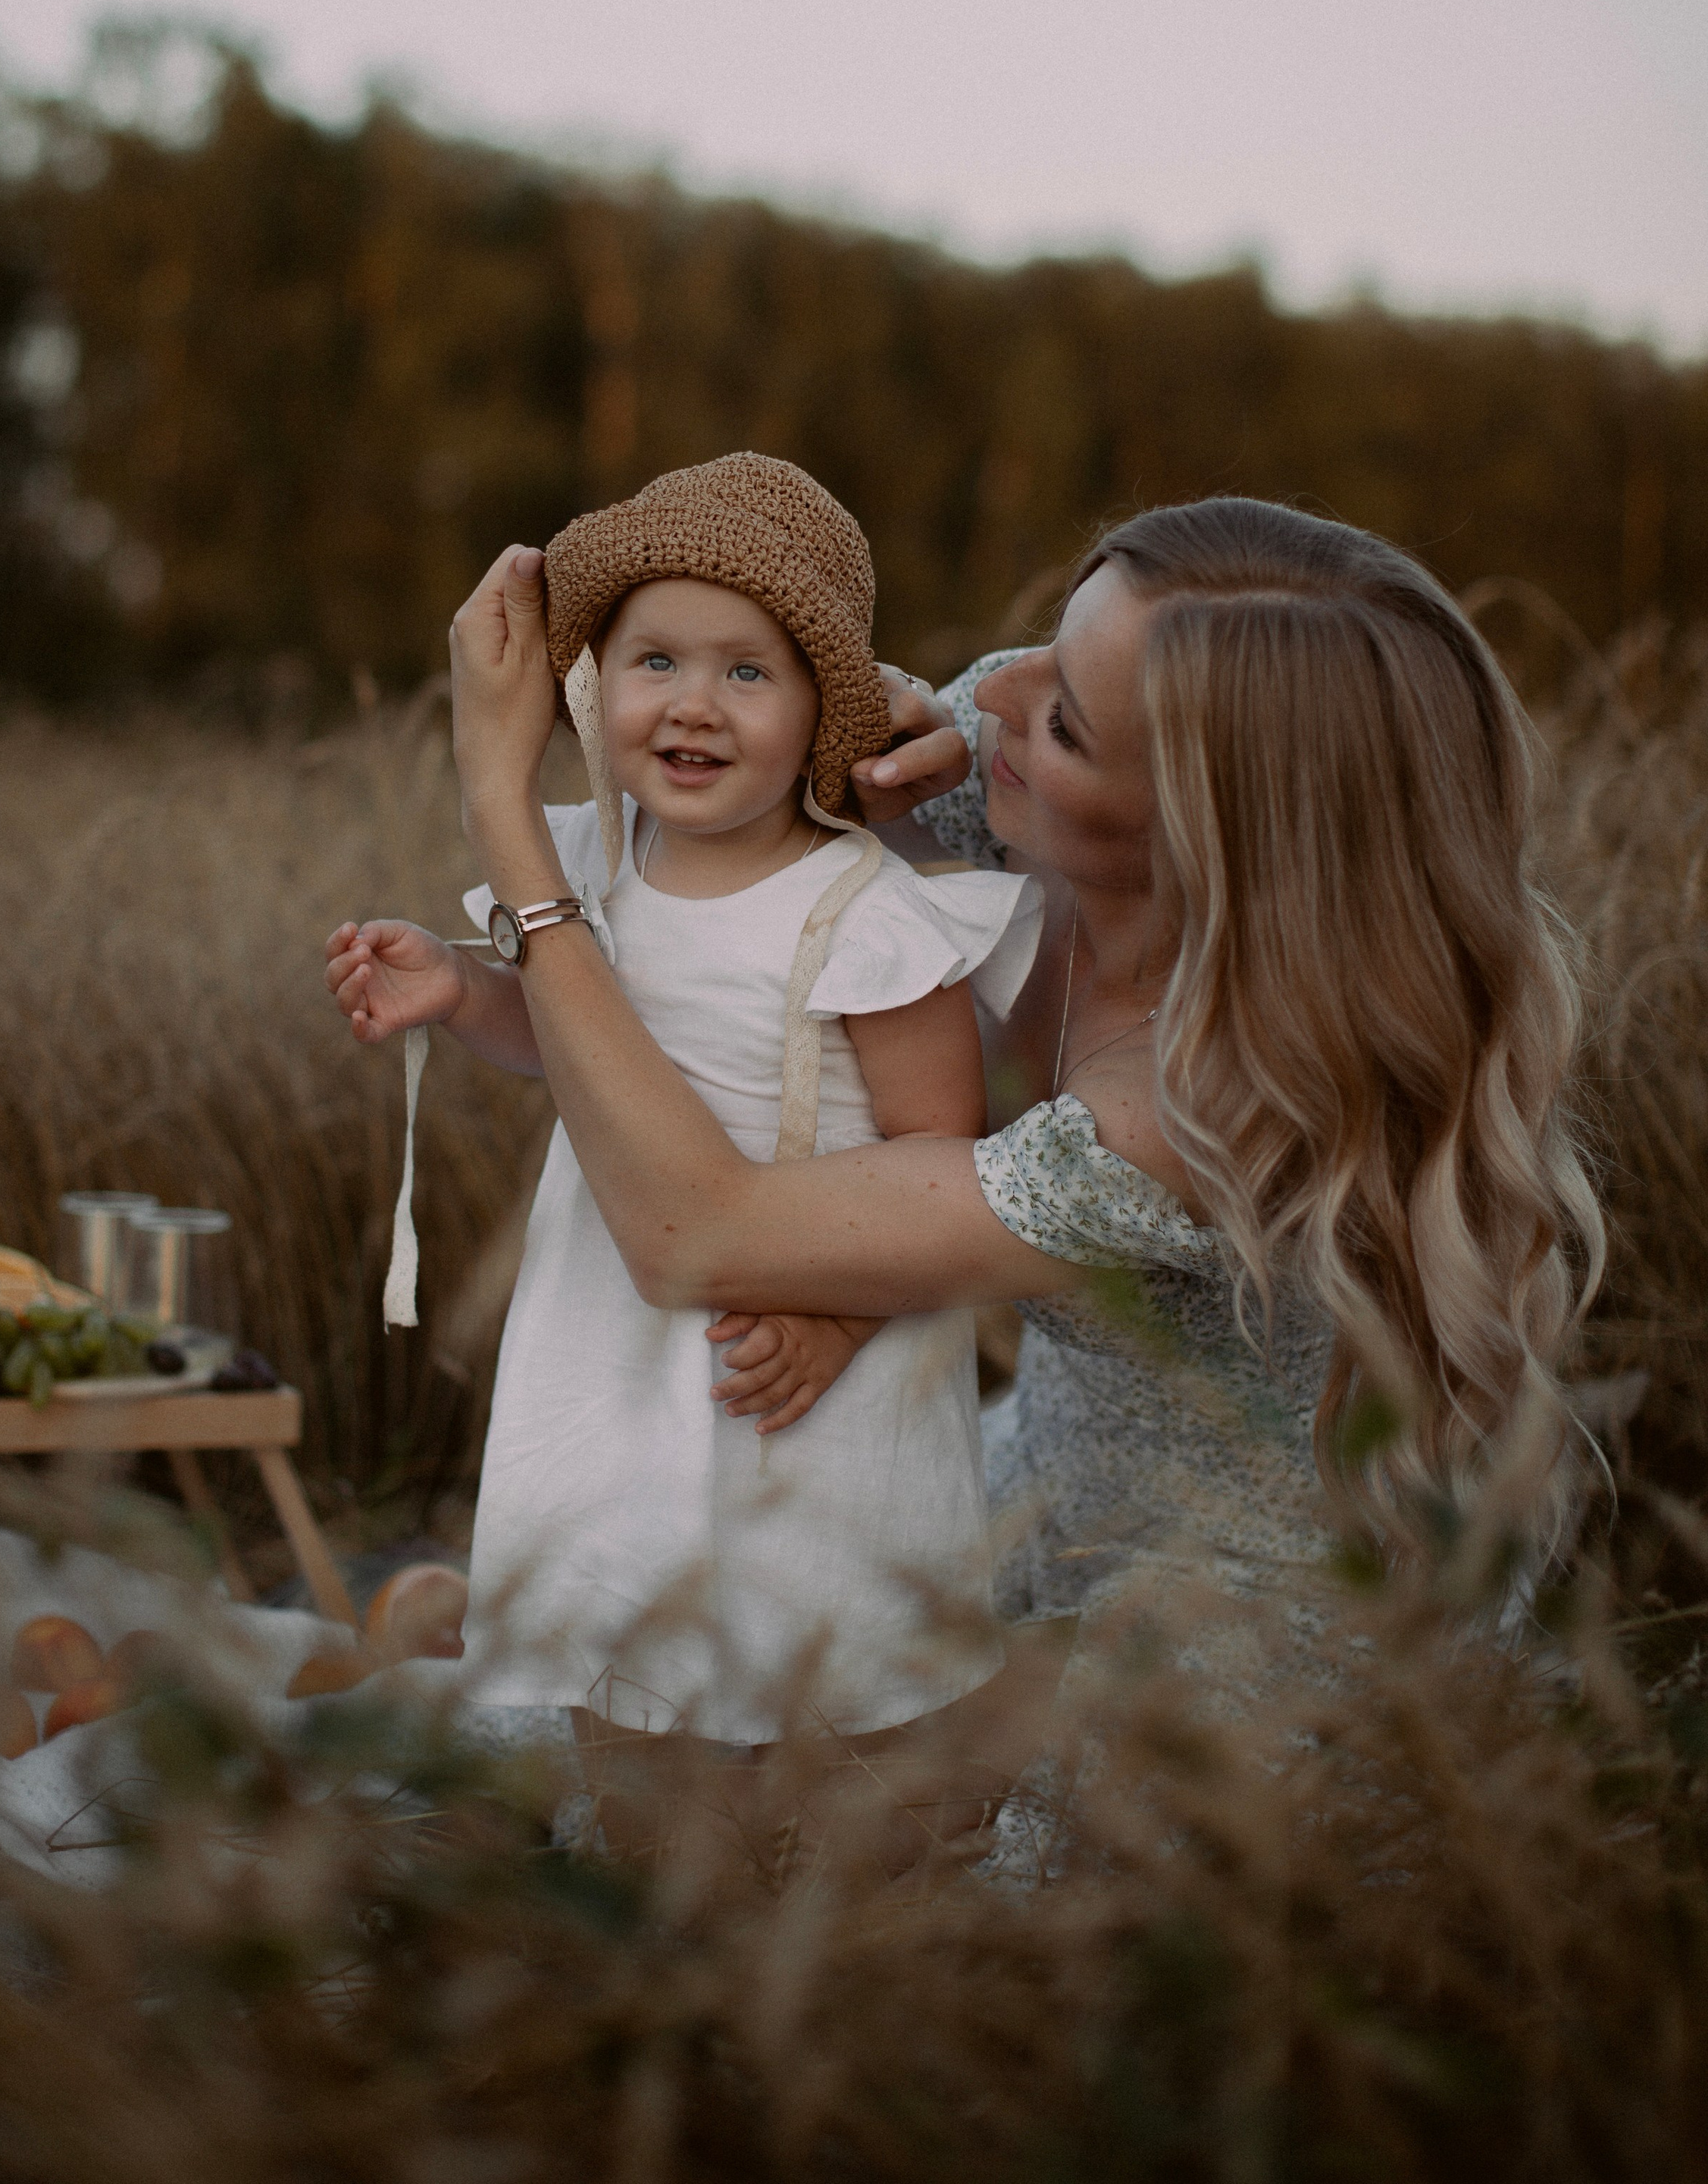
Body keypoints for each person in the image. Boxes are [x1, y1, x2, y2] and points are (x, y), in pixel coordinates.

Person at [440, 495, 1606, 1641]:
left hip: (1222, 1619)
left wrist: (507, 813)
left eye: (1064, 723)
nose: (992, 692)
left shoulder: (1188, 1112)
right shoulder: (1019, 781)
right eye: (1049, 644)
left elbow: (691, 1233)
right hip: (1019, 1491)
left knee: (727, 1788)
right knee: (574, 1692)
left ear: (1207, 837)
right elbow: (819, 727)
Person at [326, 454, 1041, 1827]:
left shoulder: (864, 909)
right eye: (654, 659)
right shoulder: (594, 867)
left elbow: (945, 1153)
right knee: (632, 1637)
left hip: (812, 1342)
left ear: (825, 704)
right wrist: (463, 991)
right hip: (619, 1334)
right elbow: (581, 1047)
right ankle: (663, 1902)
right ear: (595, 686)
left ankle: (850, 1911)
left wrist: (831, 1323)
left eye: (747, 674)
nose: (694, 705)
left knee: (826, 1660)